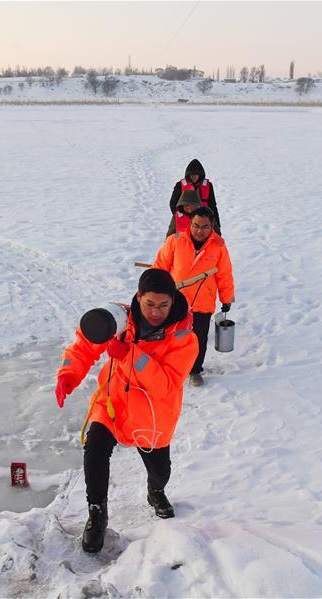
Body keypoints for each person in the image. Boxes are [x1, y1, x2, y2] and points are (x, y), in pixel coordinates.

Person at [55, 269, 198, 553]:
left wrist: (129, 355)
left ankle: (155, 491)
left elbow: (166, 385)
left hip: (152, 414)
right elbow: (86, 342)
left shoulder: (185, 339)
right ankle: (97, 513)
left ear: (173, 301)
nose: (156, 312)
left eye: (163, 305)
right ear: (138, 298)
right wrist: (70, 373)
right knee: (94, 448)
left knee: (160, 470)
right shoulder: (121, 320)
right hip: (114, 401)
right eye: (149, 304)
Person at [153, 207, 234, 387]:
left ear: (211, 226)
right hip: (175, 300)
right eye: (196, 225)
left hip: (203, 302)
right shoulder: (175, 241)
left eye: (204, 227)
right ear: (190, 224)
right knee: (170, 336)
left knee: (198, 339)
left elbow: (225, 275)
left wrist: (226, 298)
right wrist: (154, 290)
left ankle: (195, 370)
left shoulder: (219, 246)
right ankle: (167, 367)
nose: (199, 231)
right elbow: (160, 267)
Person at [169, 158, 221, 235]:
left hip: (204, 218)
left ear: (200, 175)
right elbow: (173, 203)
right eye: (191, 175)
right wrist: (180, 215)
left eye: (195, 175)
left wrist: (217, 224)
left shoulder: (208, 185)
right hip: (184, 218)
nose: (193, 177)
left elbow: (212, 205)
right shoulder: (180, 185)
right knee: (173, 238)